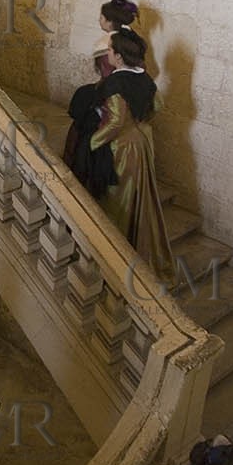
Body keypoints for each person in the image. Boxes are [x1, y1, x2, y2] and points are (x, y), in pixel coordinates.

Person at [87, 26, 176, 285]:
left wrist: (91, 142)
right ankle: (141, 255)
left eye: (111, 50)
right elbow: (157, 106)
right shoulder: (144, 77)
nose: (109, 53)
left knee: (119, 202)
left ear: (118, 56)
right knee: (140, 198)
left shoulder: (115, 81)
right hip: (141, 143)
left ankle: (116, 261)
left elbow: (114, 123)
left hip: (122, 148)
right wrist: (139, 123)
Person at [62, 0, 139, 173]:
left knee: (81, 104)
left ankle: (71, 161)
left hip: (112, 91)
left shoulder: (105, 44)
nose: (99, 19)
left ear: (109, 21)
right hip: (132, 89)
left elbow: (107, 76)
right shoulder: (131, 38)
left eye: (101, 17)